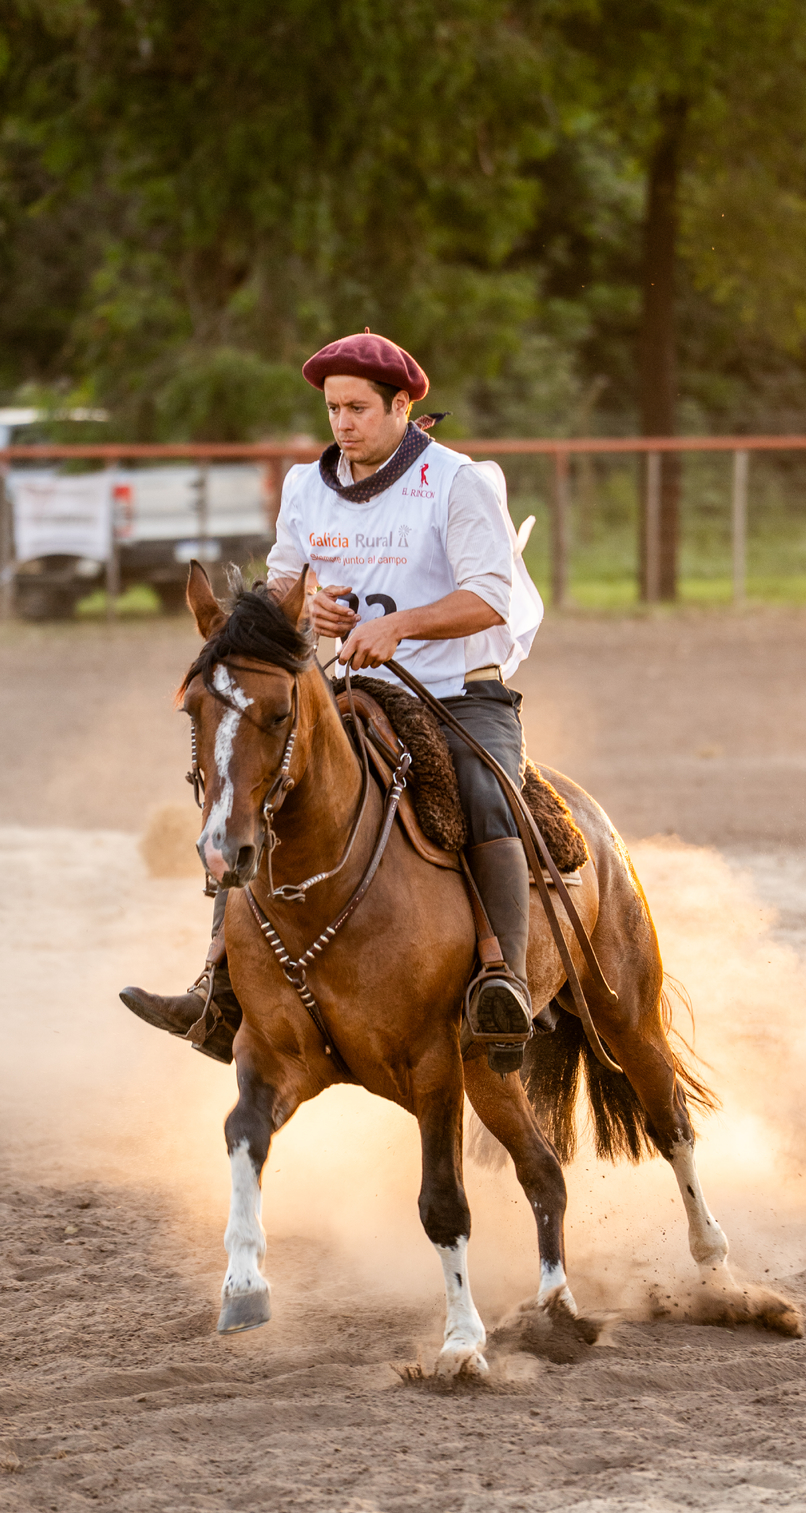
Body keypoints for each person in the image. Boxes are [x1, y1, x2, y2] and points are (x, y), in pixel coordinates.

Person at [120, 331, 544, 1073]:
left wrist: (399, 626)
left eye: (357, 409)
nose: (342, 423)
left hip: (458, 688)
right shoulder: (305, 486)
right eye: (332, 409)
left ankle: (503, 982)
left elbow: (489, 598)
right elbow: (284, 587)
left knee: (486, 791)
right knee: (257, 783)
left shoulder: (458, 482)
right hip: (348, 686)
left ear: (402, 405)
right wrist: (311, 609)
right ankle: (218, 987)